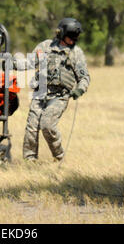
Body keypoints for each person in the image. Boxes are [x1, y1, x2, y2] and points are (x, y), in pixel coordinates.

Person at [19, 17, 90, 162]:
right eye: (71, 36)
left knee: (47, 125)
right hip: (40, 93)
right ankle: (29, 161)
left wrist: (80, 90)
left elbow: (84, 77)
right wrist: (12, 64)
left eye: (76, 36)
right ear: (61, 33)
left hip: (59, 96)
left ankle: (59, 156)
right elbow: (30, 62)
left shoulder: (76, 53)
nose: (74, 39)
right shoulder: (45, 46)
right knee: (31, 127)